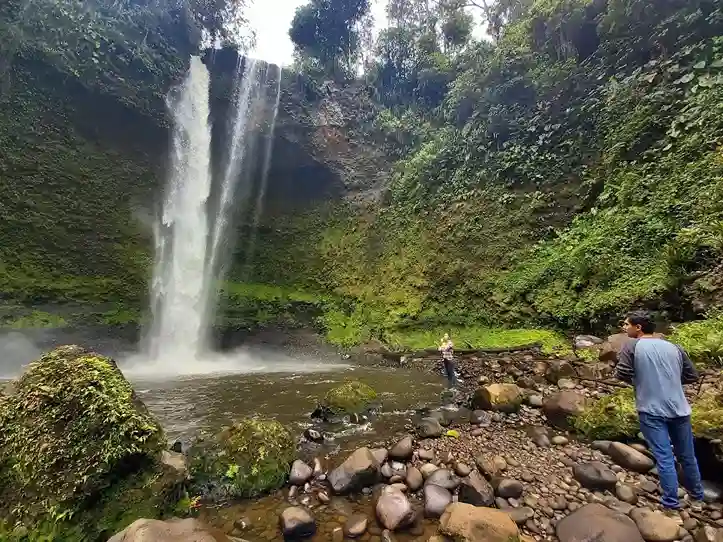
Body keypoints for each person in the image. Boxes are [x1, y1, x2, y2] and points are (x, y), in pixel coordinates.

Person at [616, 310, 704, 512]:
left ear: (638, 328)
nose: (624, 327)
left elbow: (622, 373)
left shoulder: (631, 346)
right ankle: (698, 498)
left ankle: (671, 504)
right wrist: (669, 379)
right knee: (687, 456)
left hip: (651, 410)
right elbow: (692, 375)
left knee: (664, 457)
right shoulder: (674, 346)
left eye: (626, 324)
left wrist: (642, 381)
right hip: (680, 409)